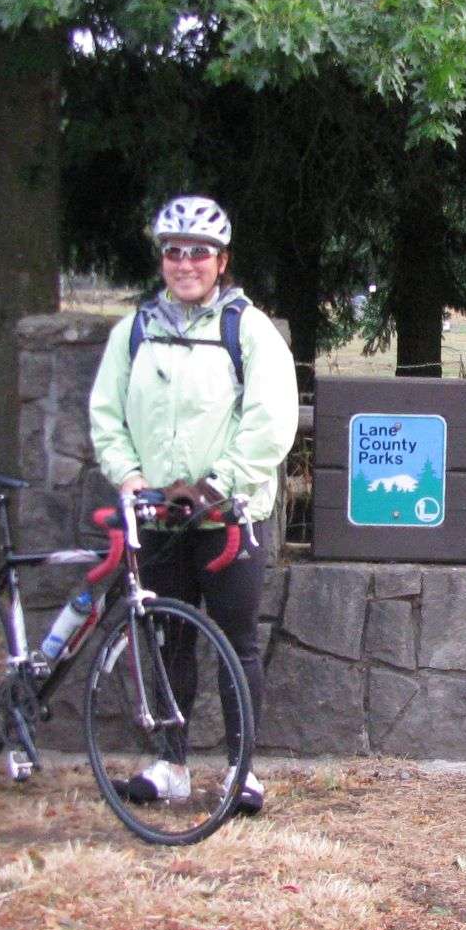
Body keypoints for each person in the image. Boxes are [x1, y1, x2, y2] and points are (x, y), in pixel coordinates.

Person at [88, 194, 299, 811]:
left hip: (229, 518)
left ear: (221, 260)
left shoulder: (248, 330)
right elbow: (106, 414)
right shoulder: (134, 330)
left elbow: (270, 422)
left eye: (199, 253)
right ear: (162, 260)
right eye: (174, 252)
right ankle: (171, 764)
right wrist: (127, 475)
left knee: (237, 643)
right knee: (165, 638)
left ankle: (241, 771)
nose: (186, 263)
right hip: (157, 516)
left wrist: (218, 484)